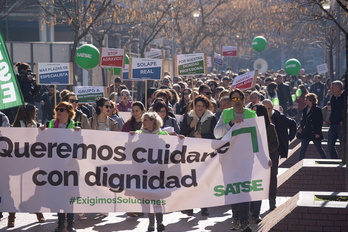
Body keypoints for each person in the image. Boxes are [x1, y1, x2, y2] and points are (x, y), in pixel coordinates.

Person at [214, 89, 256, 232]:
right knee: (232, 190)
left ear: (244, 100)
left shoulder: (251, 114)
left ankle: (244, 222)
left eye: (239, 99)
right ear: (231, 101)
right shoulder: (226, 114)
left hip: (246, 159)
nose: (237, 102)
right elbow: (217, 133)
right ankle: (236, 219)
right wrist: (231, 123)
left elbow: (258, 137)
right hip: (229, 159)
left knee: (244, 189)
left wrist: (263, 158)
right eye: (234, 99)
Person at [40, 101, 80, 232]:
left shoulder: (75, 126)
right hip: (55, 166)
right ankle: (60, 223)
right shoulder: (51, 124)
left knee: (70, 195)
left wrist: (78, 134)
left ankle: (71, 223)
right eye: (57, 109)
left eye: (61, 110)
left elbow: (81, 148)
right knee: (58, 194)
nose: (58, 112)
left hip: (70, 167)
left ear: (69, 112)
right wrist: (42, 132)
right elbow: (43, 142)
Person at [6, 104, 45, 228]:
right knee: (15, 189)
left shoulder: (36, 125)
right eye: (34, 111)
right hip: (18, 162)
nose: (36, 113)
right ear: (29, 112)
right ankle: (11, 216)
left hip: (32, 162)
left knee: (34, 188)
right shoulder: (17, 126)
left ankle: (38, 212)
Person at [129, 112, 168, 232]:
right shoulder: (139, 134)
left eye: (145, 120)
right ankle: (151, 223)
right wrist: (130, 138)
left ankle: (160, 222)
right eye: (142, 120)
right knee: (148, 197)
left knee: (157, 197)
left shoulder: (163, 134)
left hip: (158, 170)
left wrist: (179, 138)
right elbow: (130, 148)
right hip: (144, 170)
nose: (143, 122)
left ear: (153, 121)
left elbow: (169, 148)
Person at [180, 95, 217, 217]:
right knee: (189, 180)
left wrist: (203, 137)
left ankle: (204, 206)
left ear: (206, 107)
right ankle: (189, 206)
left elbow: (216, 135)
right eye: (198, 106)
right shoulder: (188, 117)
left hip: (204, 153)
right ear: (194, 106)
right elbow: (181, 133)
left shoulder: (211, 118)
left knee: (202, 179)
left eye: (202, 106)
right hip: (190, 152)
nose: (200, 108)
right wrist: (190, 126)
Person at [262, 99, 296, 210]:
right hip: (259, 151)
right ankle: (254, 206)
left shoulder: (279, 117)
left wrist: (289, 138)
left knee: (272, 175)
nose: (267, 111)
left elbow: (292, 123)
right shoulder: (256, 117)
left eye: (269, 108)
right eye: (265, 109)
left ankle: (272, 200)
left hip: (274, 151)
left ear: (272, 108)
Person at [250, 105, 278, 223]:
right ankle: (254, 211)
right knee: (257, 183)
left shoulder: (270, 127)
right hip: (254, 159)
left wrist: (264, 153)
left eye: (256, 113)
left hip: (269, 158)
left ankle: (272, 201)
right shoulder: (250, 127)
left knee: (271, 179)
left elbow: (275, 143)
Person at [297, 93, 326, 160]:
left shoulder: (317, 109)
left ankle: (325, 159)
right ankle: (299, 162)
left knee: (319, 148)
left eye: (307, 100)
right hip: (306, 131)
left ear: (311, 100)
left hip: (314, 131)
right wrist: (300, 127)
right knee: (303, 149)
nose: (305, 101)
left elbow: (319, 122)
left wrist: (317, 132)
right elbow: (303, 120)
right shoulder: (305, 109)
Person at [327, 80, 345, 159]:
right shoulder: (333, 98)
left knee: (343, 146)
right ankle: (335, 160)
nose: (331, 89)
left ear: (338, 88)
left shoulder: (345, 97)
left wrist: (345, 121)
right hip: (333, 124)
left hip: (341, 125)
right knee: (330, 145)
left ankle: (343, 161)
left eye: (333, 87)